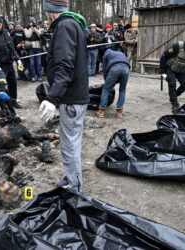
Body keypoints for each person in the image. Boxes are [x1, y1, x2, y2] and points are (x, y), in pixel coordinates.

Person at [40, 0, 89, 193]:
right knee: (71, 141)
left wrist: (52, 98)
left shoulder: (64, 26)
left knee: (69, 144)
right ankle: (71, 177)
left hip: (71, 97)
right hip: (75, 95)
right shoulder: (74, 24)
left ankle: (74, 187)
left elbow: (65, 66)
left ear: (50, 11)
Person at [0, 15, 23, 109]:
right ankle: (4, 107)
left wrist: (18, 59)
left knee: (13, 84)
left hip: (9, 63)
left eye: (0, 24)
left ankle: (13, 100)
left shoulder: (6, 32)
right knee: (1, 87)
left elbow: (12, 48)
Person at [160, 36, 185, 113]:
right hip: (170, 68)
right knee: (172, 83)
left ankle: (174, 96)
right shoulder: (177, 46)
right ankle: (174, 103)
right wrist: (162, 71)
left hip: (181, 70)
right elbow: (164, 56)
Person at [96, 49, 130, 118]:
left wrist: (107, 82)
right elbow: (126, 63)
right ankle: (119, 112)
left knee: (106, 89)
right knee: (122, 89)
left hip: (115, 68)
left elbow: (105, 70)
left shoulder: (105, 55)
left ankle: (101, 111)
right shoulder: (120, 53)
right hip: (126, 68)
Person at [24, 17, 43, 82]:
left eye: (33, 21)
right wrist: (31, 28)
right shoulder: (26, 29)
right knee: (32, 63)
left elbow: (40, 35)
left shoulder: (38, 28)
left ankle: (39, 76)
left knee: (39, 63)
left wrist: (35, 28)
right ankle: (33, 76)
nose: (32, 23)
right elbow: (28, 36)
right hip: (31, 48)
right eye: (31, 22)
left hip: (38, 48)